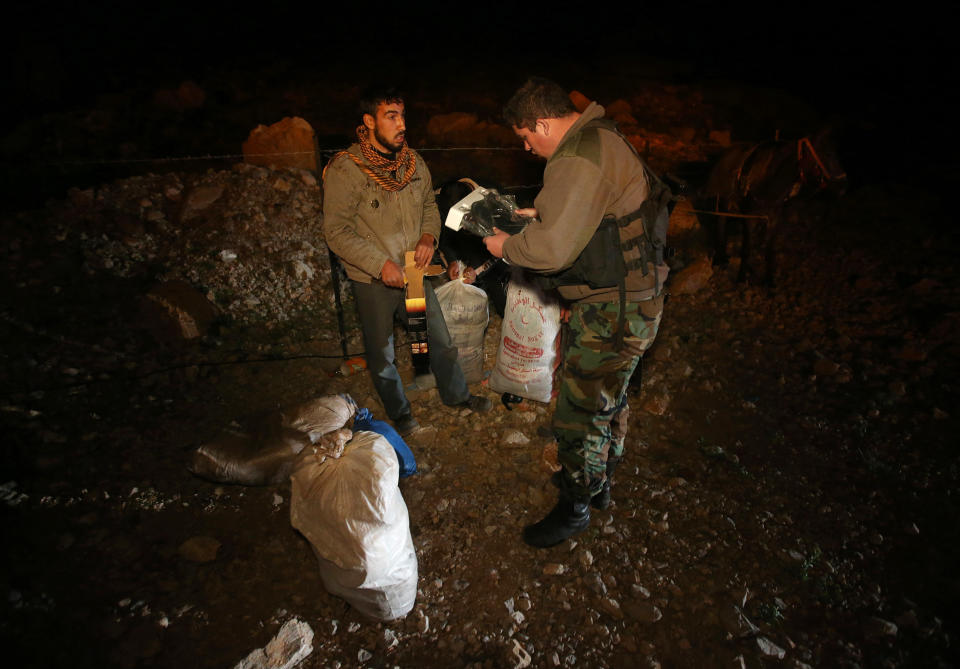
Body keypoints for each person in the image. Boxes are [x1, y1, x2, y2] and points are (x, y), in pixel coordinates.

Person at [485, 77, 668, 548]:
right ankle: (599, 482)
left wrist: (507, 246)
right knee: (609, 396)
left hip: (614, 309)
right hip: (632, 298)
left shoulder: (577, 157)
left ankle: (576, 507)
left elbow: (550, 252)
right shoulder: (601, 137)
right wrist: (538, 218)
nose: (526, 148)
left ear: (543, 123)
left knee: (578, 413)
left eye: (526, 137)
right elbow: (590, 217)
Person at [322, 85, 491, 436]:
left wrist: (428, 237)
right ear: (369, 121)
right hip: (374, 282)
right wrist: (378, 263)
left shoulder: (412, 163)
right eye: (391, 116)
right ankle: (401, 413)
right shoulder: (347, 169)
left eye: (402, 116)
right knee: (382, 355)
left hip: (413, 272)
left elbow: (430, 206)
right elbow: (336, 231)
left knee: (434, 338)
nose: (401, 124)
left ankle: (456, 396)